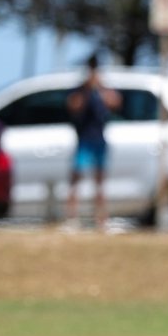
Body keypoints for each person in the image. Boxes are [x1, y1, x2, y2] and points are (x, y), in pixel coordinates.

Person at [65, 54, 121, 228]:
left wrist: (100, 87)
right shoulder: (81, 90)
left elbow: (115, 103)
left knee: (100, 182)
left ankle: (101, 220)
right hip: (84, 139)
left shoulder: (102, 89)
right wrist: (87, 89)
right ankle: (71, 218)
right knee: (75, 180)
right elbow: (73, 106)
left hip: (98, 140)